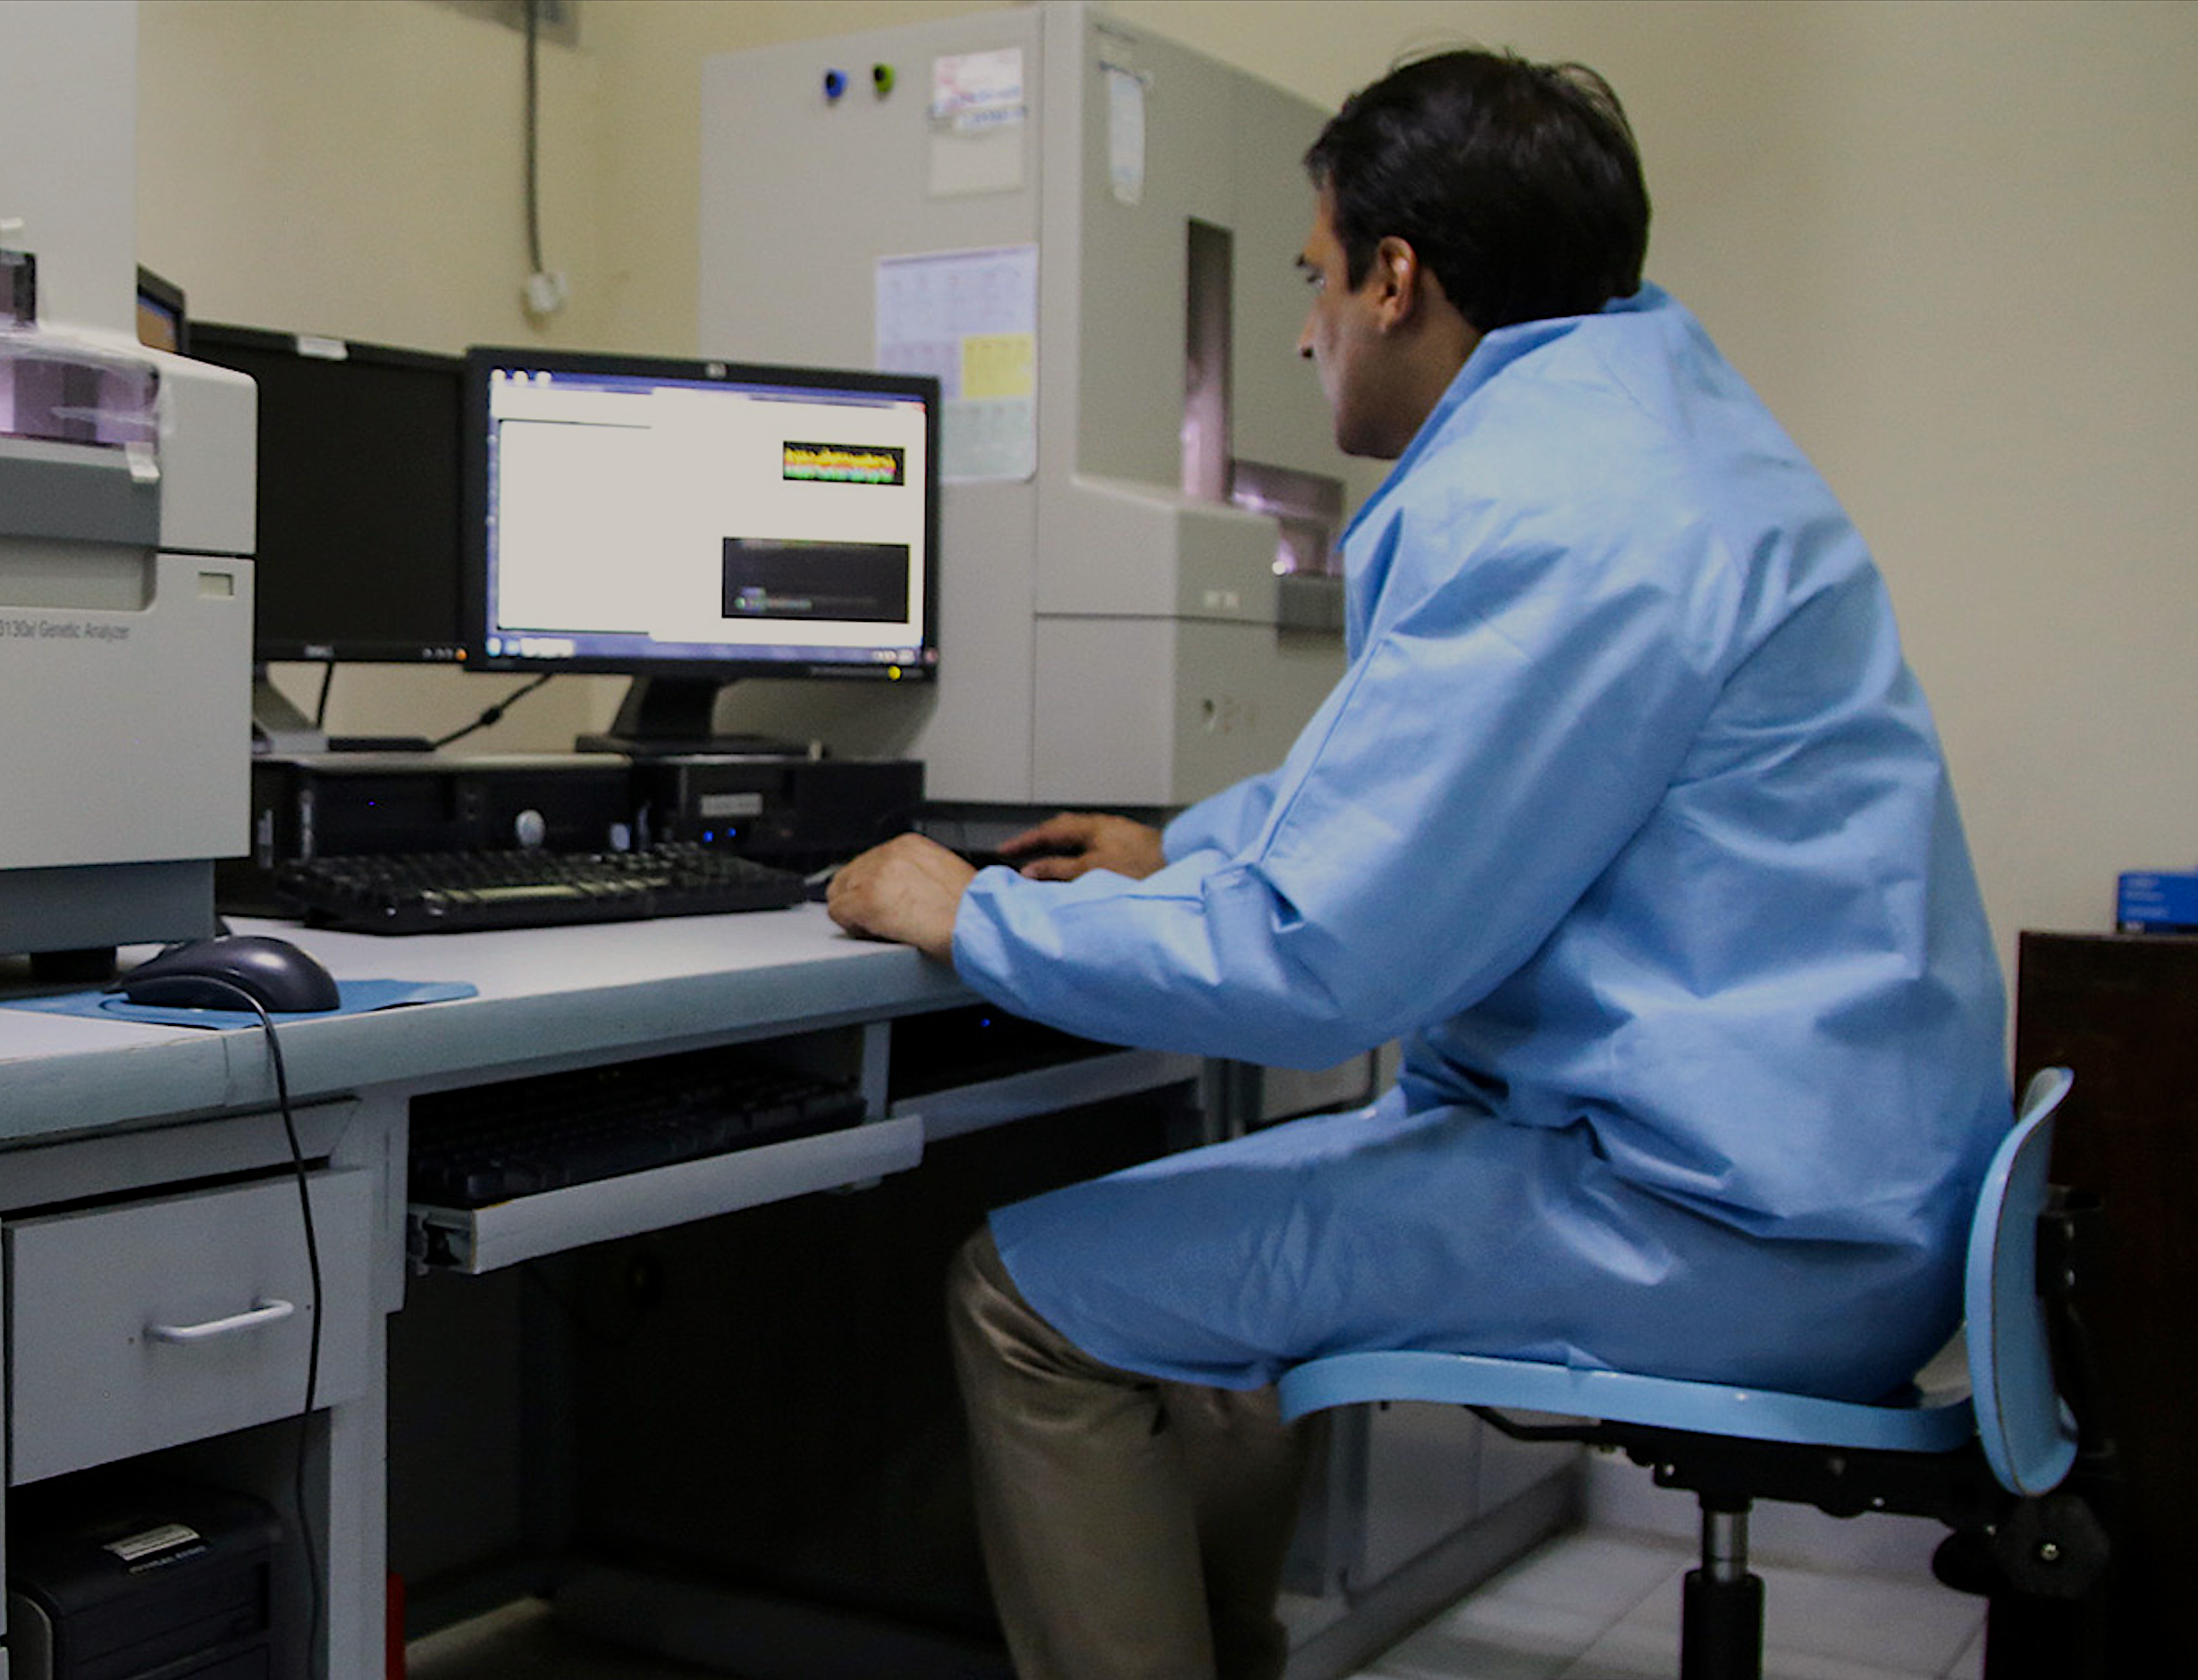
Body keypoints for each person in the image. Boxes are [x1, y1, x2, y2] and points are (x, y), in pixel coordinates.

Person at [823, 47, 2009, 1680]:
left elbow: (1322, 968)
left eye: (1312, 278)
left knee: (1021, 1291)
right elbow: (1409, 796)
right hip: (1810, 1182)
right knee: (1196, 1284)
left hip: (1722, 1226)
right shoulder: (1652, 440)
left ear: (1397, 280)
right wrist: (1182, 847)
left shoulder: (1560, 511)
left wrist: (978, 915)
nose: (1301, 331)